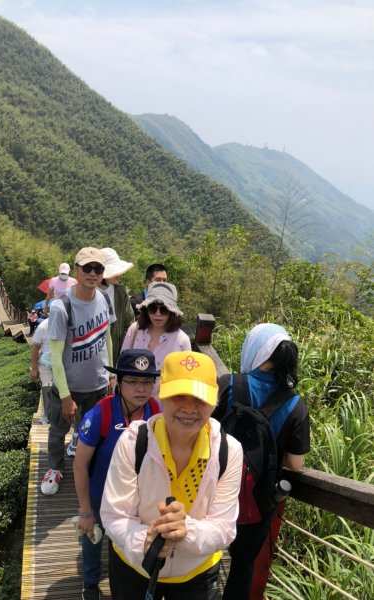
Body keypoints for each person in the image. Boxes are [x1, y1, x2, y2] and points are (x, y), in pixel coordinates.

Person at [100, 350, 243, 600]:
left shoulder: (228, 451)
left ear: (215, 401)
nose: (189, 408)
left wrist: (184, 530)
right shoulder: (134, 442)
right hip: (134, 567)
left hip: (195, 572)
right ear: (161, 396)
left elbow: (224, 527)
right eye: (178, 396)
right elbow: (114, 515)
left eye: (199, 398)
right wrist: (146, 542)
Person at [213, 323, 310, 600]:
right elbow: (296, 464)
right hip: (258, 500)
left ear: (254, 349)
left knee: (201, 553)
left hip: (215, 487)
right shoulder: (295, 404)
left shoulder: (228, 383)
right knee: (243, 566)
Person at [74, 349, 161, 600]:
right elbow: (80, 465)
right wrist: (85, 510)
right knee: (92, 541)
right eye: (132, 381)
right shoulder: (100, 414)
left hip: (134, 500)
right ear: (118, 382)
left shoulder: (155, 411)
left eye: (146, 382)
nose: (140, 389)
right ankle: (90, 585)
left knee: (123, 548)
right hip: (99, 496)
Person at [41, 247, 113, 495]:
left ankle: (87, 465)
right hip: (69, 386)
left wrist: (111, 373)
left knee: (92, 429)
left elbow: (107, 337)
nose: (93, 273)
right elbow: (56, 357)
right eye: (87, 268)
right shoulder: (62, 307)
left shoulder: (104, 298)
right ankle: (54, 468)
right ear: (77, 270)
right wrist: (65, 396)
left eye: (98, 269)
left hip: (98, 384)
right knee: (58, 429)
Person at [121, 282, 191, 399]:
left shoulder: (182, 340)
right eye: (153, 308)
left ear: (172, 312)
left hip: (163, 405)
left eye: (163, 309)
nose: (157, 314)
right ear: (146, 309)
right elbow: (122, 363)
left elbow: (185, 379)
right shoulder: (135, 330)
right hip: (132, 402)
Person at [100, 247, 135, 365]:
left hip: (117, 350)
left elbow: (129, 322)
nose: (119, 275)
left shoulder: (120, 292)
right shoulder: (89, 293)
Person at [30, 308, 53, 424]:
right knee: (47, 388)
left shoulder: (67, 323)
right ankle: (48, 416)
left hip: (63, 362)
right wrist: (34, 368)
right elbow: (35, 348)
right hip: (46, 362)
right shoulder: (43, 327)